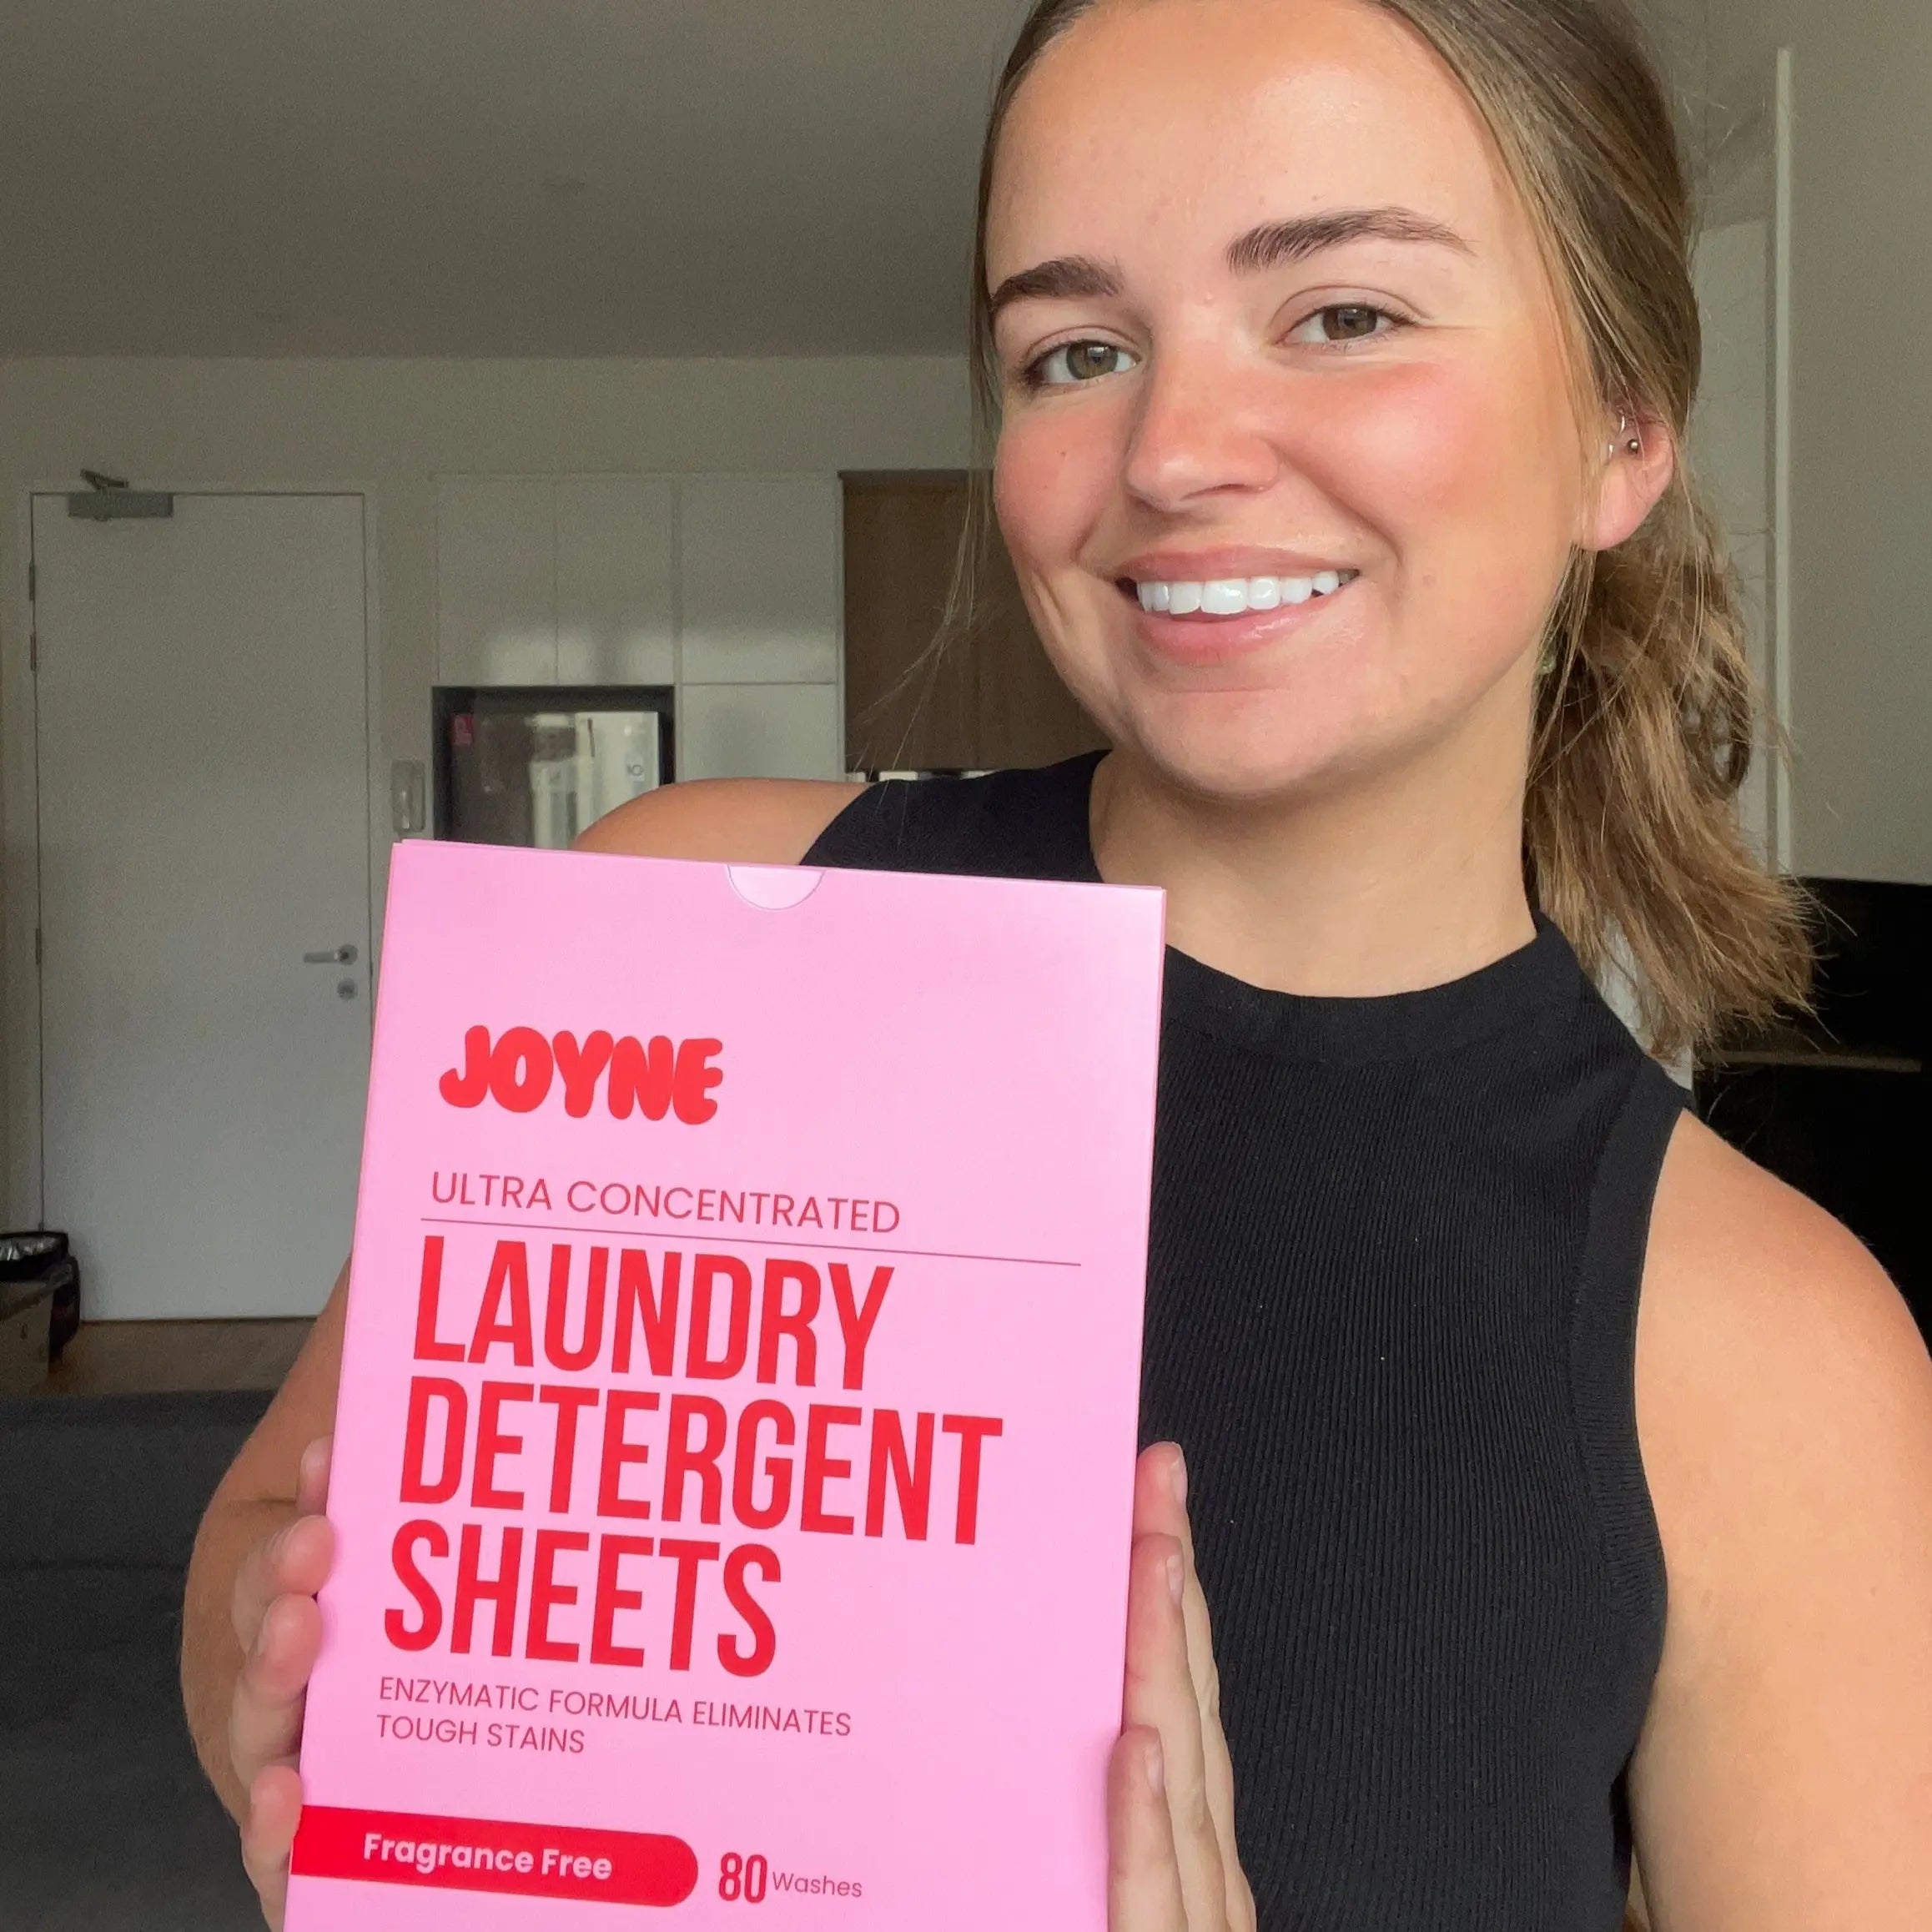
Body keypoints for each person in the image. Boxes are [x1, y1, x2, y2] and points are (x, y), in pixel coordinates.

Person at [182, 1, 1932, 1925]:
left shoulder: (1776, 1354)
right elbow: (275, 1526)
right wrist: (288, 1718)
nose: (1172, 452)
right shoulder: (684, 919)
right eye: (1077, 350)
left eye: (1343, 311)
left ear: (1623, 432)